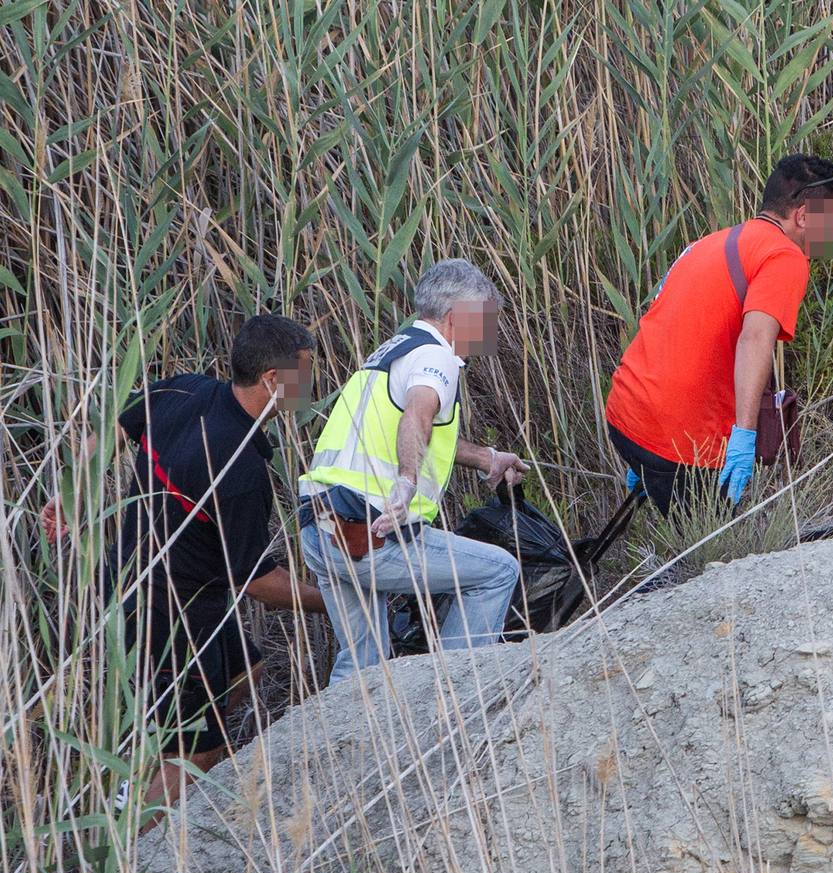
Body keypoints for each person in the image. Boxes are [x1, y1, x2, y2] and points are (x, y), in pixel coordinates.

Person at [41, 314, 325, 812]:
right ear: (273, 381)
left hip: (133, 582)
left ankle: (149, 764)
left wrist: (73, 492)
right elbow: (257, 583)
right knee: (198, 752)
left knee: (248, 671)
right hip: (173, 617)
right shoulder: (240, 469)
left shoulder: (185, 391)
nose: (312, 385)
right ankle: (134, 834)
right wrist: (335, 601)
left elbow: (112, 428)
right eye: (305, 374)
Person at [298, 259, 528, 684]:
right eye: (487, 318)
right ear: (457, 318)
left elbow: (417, 427)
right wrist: (405, 483)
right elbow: (418, 416)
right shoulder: (437, 356)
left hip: (321, 527)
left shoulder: (391, 353)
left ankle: (345, 745)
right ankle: (455, 690)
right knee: (498, 571)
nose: (490, 331)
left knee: (362, 667)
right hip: (373, 529)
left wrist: (487, 458)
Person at [604, 154, 833, 515]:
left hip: (625, 417)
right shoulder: (784, 256)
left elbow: (663, 322)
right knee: (722, 555)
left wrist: (643, 444)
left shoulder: (710, 243)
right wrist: (745, 435)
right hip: (676, 441)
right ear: (803, 216)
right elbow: (755, 339)